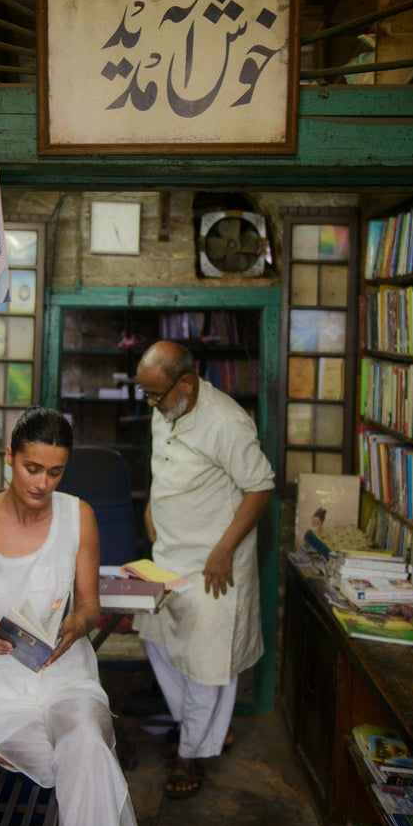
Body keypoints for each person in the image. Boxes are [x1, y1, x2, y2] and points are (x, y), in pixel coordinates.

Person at [0, 407, 150, 826]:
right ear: (9, 457)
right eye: (32, 468)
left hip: (65, 676)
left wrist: (76, 624)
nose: (42, 484)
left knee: (88, 748)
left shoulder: (79, 517)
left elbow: (90, 607)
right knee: (89, 766)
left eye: (55, 472)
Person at [134, 340, 275, 798]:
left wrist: (222, 551)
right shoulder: (166, 408)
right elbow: (165, 467)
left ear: (187, 382)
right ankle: (207, 728)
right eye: (146, 394)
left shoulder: (227, 422)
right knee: (154, 637)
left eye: (156, 394)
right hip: (168, 554)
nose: (150, 404)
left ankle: (189, 756)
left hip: (215, 567)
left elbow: (260, 487)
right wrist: (152, 509)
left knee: (205, 663)